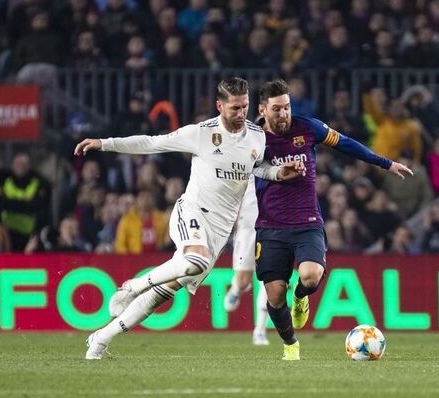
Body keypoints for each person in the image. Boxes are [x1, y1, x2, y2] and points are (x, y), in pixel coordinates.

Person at [76, 78, 304, 360]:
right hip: (192, 212)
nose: (241, 113)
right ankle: (133, 286)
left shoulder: (257, 136)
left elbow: (258, 168)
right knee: (194, 260)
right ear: (219, 106)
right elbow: (151, 143)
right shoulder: (201, 133)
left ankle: (100, 338)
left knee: (165, 291)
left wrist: (279, 173)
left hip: (219, 232)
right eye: (235, 108)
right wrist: (103, 143)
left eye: (245, 107)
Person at [253, 79, 412, 360]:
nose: (284, 114)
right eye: (277, 109)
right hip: (270, 226)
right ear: (262, 110)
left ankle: (300, 297)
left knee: (310, 276)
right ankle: (290, 344)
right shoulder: (250, 139)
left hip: (307, 222)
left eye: (287, 107)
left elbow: (346, 144)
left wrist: (385, 163)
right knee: (275, 295)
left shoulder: (308, 127)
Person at [222, 177, 270, 346]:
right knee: (243, 281)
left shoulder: (280, 164)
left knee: (270, 280)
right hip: (247, 227)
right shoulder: (247, 163)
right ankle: (237, 288)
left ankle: (260, 330)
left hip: (271, 227)